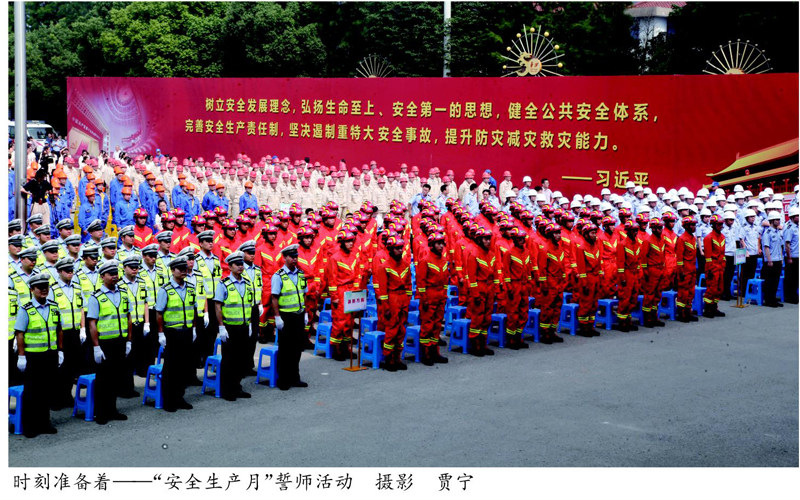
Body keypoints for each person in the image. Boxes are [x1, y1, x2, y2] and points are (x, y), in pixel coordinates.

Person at [85, 259, 132, 425]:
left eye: (115, 273)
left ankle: (112, 409)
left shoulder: (123, 293)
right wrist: (96, 347)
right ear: (102, 276)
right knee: (103, 380)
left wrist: (129, 340)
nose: (114, 276)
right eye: (110, 274)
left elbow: (128, 317)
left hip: (120, 341)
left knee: (115, 378)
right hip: (105, 343)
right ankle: (101, 412)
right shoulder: (96, 297)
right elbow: (92, 323)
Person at [155, 255, 200, 412]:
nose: (183, 272)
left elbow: (193, 309)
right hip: (172, 333)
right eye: (180, 269)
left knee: (183, 367)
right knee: (171, 368)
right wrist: (161, 333)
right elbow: (159, 313)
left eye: (185, 269)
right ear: (173, 270)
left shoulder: (190, 288)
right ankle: (169, 400)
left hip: (186, 332)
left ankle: (180, 397)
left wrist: (194, 328)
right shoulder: (165, 290)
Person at [214, 251, 254, 401]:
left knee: (240, 359)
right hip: (230, 328)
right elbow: (218, 306)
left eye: (241, 264)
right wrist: (221, 326)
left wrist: (249, 323)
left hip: (243, 326)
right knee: (229, 360)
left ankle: (237, 386)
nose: (240, 267)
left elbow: (249, 305)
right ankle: (227, 390)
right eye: (237, 264)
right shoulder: (224, 284)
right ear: (230, 267)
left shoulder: (247, 283)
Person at [271, 244, 309, 389]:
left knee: (297, 348)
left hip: (299, 315)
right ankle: (283, 379)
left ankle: (295, 377)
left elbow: (304, 294)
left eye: (296, 257)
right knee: (285, 349)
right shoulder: (278, 276)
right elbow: (274, 297)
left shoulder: (300, 274)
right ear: (285, 258)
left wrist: (305, 312)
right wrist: (277, 317)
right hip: (286, 317)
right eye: (292, 257)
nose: (295, 259)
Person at [48, 257, 84, 409]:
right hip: (60, 333)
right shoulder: (53, 290)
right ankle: (56, 399)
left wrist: (82, 328)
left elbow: (81, 309)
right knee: (58, 367)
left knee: (71, 366)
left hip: (75, 332)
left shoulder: (77, 288)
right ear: (59, 271)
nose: (70, 273)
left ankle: (67, 395)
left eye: (71, 270)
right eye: (67, 271)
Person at [373, 236, 412, 371]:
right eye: (397, 248)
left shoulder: (406, 265)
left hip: (403, 299)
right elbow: (383, 290)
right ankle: (389, 359)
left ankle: (397, 358)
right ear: (390, 249)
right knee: (391, 330)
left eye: (401, 248)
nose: (400, 250)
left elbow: (409, 285)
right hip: (392, 298)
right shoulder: (384, 267)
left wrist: (407, 300)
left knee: (401, 330)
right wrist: (386, 307)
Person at [415, 231, 451, 363]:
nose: (441, 246)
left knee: (437, 325)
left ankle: (435, 352)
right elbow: (421, 282)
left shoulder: (443, 260)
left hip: (440, 295)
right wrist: (424, 299)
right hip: (429, 296)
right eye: (438, 243)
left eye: (442, 243)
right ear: (432, 245)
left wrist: (444, 295)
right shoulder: (425, 260)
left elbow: (445, 279)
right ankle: (425, 354)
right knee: (427, 326)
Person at [675, 216, 700, 322]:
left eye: (694, 224)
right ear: (686, 226)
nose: (694, 227)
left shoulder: (693, 238)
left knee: (691, 291)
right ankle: (681, 313)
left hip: (692, 269)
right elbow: (679, 258)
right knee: (683, 292)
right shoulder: (682, 239)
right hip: (685, 270)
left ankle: (688, 311)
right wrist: (681, 271)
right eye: (692, 225)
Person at [702, 215, 727, 317]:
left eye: (722, 224)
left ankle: (714, 307)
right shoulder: (708, 238)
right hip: (712, 267)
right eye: (719, 224)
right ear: (713, 225)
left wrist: (723, 265)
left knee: (719, 288)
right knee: (711, 289)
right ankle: (707, 309)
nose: (721, 226)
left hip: (720, 266)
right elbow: (708, 257)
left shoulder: (722, 237)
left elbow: (723, 253)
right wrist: (710, 270)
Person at [761, 211, 785, 308]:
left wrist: (781, 258)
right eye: (776, 219)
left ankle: (773, 299)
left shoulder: (778, 232)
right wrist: (769, 260)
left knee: (775, 281)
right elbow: (766, 247)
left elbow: (780, 247)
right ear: (771, 220)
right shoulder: (767, 233)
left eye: (779, 219)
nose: (778, 221)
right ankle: (768, 300)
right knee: (769, 282)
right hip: (771, 260)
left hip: (778, 259)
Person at [783, 207, 799, 304]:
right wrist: (789, 257)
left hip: (798, 255)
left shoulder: (797, 226)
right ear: (792, 217)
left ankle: (794, 295)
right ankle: (789, 296)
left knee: (796, 277)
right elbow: (787, 244)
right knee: (790, 278)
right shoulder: (789, 228)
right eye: (797, 216)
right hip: (792, 256)